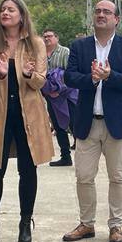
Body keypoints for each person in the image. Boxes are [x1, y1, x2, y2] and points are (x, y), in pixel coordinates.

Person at [0, 0, 53, 242]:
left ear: (22, 14)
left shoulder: (36, 44)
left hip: (28, 114)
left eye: (11, 9)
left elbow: (40, 82)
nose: (5, 13)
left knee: (28, 170)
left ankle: (25, 223)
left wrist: (29, 74)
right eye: (2, 9)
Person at [63, 0, 122, 242]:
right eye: (97, 11)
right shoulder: (79, 46)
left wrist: (109, 76)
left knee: (118, 176)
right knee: (84, 176)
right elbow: (69, 77)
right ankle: (87, 224)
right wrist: (93, 79)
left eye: (107, 12)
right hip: (87, 122)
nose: (101, 15)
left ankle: (116, 226)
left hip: (116, 123)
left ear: (116, 19)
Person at [42, 29, 73, 166]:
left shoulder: (65, 52)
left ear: (57, 38)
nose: (47, 39)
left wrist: (60, 90)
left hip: (66, 96)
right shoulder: (40, 53)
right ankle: (65, 156)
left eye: (50, 36)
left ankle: (85, 156)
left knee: (73, 124)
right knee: (58, 126)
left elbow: (70, 74)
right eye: (45, 37)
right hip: (50, 96)